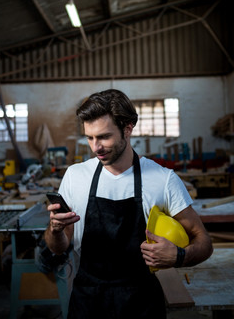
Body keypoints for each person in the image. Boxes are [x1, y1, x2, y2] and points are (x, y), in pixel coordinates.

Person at [44, 89, 213, 319]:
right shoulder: (75, 177)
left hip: (141, 303)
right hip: (88, 301)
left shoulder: (162, 179)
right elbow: (59, 247)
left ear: (128, 129)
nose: (96, 147)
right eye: (90, 137)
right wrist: (55, 230)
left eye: (104, 137)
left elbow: (204, 241)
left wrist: (179, 257)